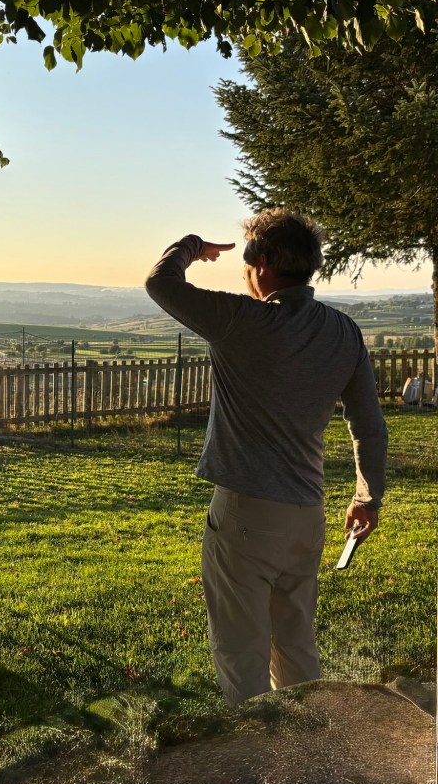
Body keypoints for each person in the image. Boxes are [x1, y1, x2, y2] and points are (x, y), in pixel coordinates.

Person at [144, 209, 387, 706]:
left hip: (247, 513)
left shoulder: (242, 321)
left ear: (263, 264)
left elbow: (160, 284)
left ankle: (257, 749)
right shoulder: (344, 332)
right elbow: (369, 425)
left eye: (247, 263)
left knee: (242, 653)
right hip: (307, 513)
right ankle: (308, 743)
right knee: (296, 645)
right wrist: (368, 497)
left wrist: (192, 246)